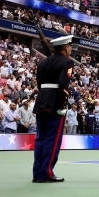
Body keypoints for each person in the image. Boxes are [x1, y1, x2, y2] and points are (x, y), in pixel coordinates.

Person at [32, 35, 75, 183]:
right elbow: (63, 86)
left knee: (40, 139)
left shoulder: (43, 63)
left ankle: (37, 172)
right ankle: (47, 173)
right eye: (70, 46)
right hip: (55, 104)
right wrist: (61, 106)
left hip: (42, 102)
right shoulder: (67, 62)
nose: (71, 49)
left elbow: (39, 85)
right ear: (66, 47)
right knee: (52, 140)